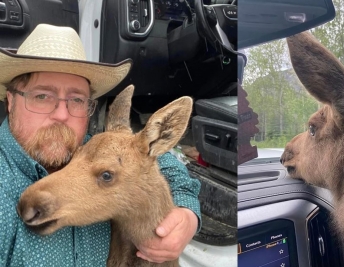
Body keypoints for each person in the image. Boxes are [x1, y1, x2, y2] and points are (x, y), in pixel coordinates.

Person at [0, 24, 201, 266]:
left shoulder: (84, 146)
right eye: (42, 96)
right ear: (10, 101)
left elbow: (158, 160)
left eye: (76, 99)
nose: (62, 115)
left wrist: (187, 214)